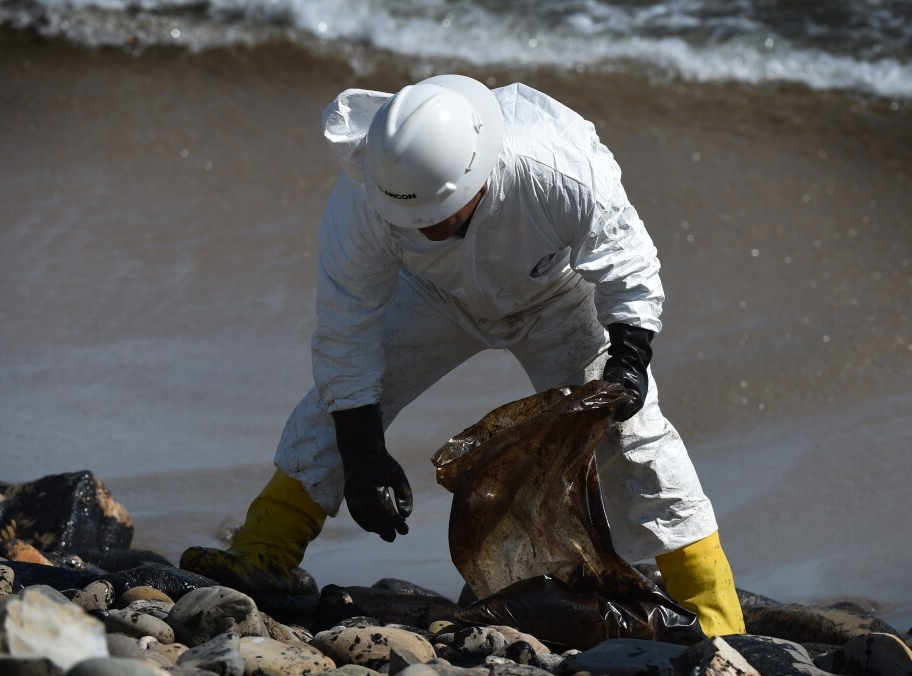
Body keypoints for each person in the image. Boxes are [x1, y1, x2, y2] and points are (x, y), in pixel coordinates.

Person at [180, 74, 746, 637]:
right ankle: (264, 550)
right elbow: (345, 328)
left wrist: (629, 354)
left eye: (439, 214)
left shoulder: (556, 167)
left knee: (635, 435)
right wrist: (362, 452)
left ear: (478, 176)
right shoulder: (367, 192)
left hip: (556, 294)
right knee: (337, 406)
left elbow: (629, 263)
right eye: (413, 220)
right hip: (435, 297)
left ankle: (717, 617)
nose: (425, 228)